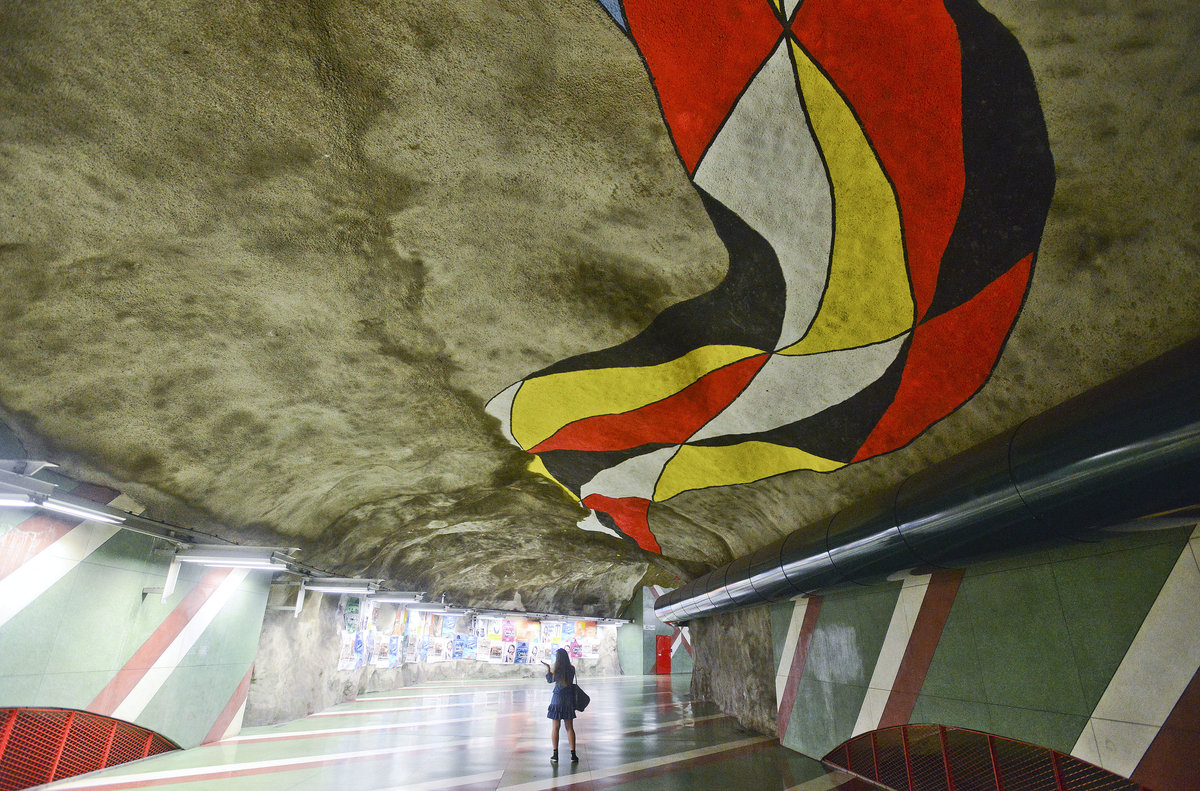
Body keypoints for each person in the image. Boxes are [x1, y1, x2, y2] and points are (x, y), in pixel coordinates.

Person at [541, 648, 578, 763]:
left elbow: (550, 680)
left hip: (557, 700)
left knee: (555, 728)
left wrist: (548, 669)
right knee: (570, 728)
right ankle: (573, 755)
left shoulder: (557, 670)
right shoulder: (572, 669)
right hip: (568, 700)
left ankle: (555, 755)